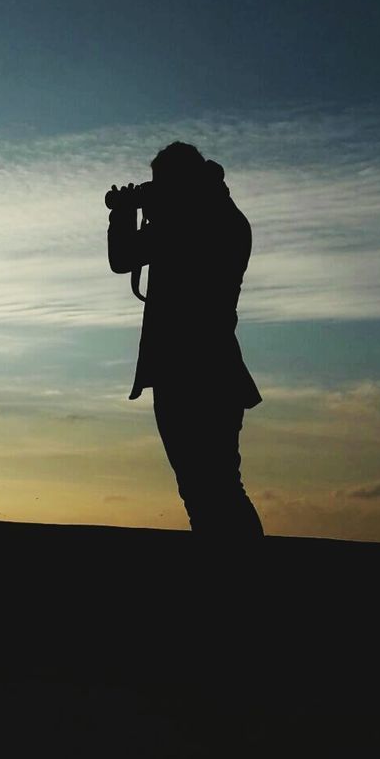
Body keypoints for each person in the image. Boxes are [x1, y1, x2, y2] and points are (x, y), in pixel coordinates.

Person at [107, 141, 264, 538]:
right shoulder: (223, 216)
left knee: (214, 490)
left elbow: (123, 257)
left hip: (193, 372)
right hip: (209, 370)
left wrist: (125, 216)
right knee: (208, 489)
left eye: (163, 184)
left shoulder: (197, 220)